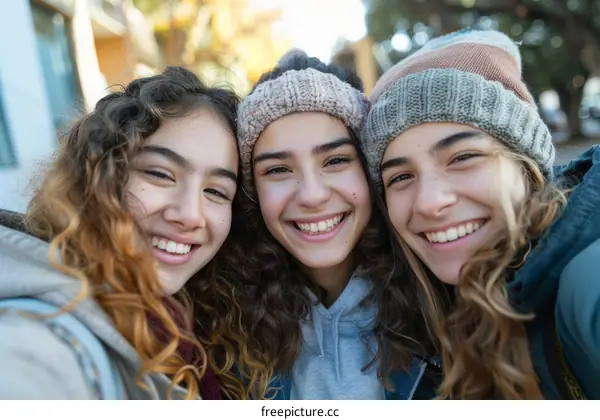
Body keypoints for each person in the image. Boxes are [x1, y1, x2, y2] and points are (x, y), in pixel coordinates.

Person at [362, 28, 600, 399]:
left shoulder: (584, 282)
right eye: (401, 176)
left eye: (463, 158)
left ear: (526, 168)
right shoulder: (420, 312)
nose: (429, 202)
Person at [0, 67, 248, 399]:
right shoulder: (46, 342)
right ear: (100, 176)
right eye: (161, 174)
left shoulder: (200, 326)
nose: (189, 214)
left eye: (217, 192)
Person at [230, 50, 439, 400]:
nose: (312, 195)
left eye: (337, 160)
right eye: (278, 170)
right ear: (253, 194)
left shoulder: (442, 302)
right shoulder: (227, 330)